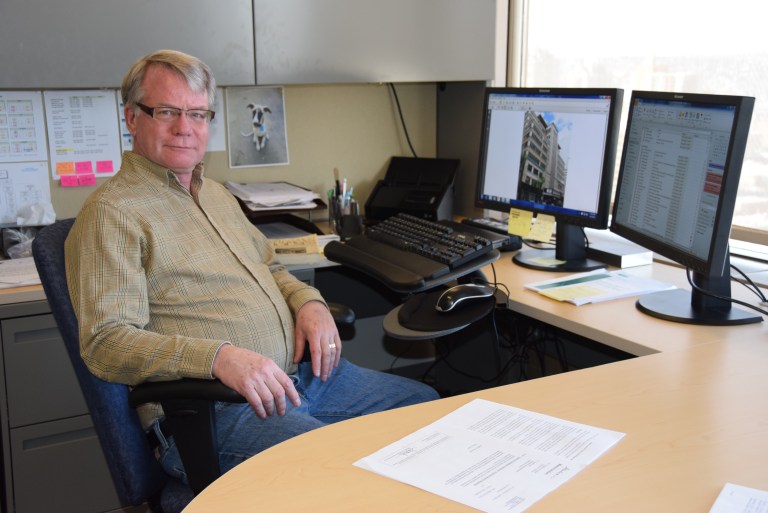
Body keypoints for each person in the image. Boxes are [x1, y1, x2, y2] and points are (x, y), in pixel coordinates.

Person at [64, 49, 439, 484]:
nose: (185, 128)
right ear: (131, 118)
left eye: (198, 114)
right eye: (166, 111)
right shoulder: (113, 214)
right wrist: (218, 358)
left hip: (305, 380)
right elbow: (105, 343)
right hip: (218, 409)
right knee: (340, 471)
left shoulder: (217, 195)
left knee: (426, 410)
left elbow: (271, 268)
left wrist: (310, 303)